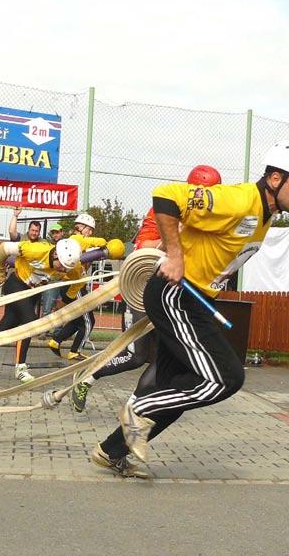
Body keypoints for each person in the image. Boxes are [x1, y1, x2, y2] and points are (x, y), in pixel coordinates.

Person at [92, 141, 289, 476]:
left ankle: (111, 452)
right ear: (274, 179)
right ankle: (140, 407)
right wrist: (176, 255)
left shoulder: (265, 214)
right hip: (175, 294)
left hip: (195, 299)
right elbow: (166, 196)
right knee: (225, 378)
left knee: (182, 386)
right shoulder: (240, 199)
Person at [71, 165, 222, 413]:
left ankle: (134, 410)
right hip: (143, 292)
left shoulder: (213, 217)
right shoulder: (166, 209)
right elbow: (142, 249)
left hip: (174, 296)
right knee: (136, 356)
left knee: (170, 356)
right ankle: (86, 376)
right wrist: (174, 235)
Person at [0, 238, 82, 383]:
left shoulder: (72, 266)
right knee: (30, 322)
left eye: (67, 268)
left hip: (32, 293)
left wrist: (65, 300)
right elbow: (4, 248)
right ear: (55, 255)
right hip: (16, 285)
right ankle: (20, 368)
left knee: (2, 331)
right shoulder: (36, 250)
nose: (64, 270)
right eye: (62, 266)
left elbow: (80, 280)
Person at [48, 213, 107, 360]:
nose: (90, 232)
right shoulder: (77, 239)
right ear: (81, 227)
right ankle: (75, 351)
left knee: (78, 320)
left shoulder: (74, 240)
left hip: (73, 285)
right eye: (89, 229)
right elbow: (100, 241)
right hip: (75, 286)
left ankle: (56, 341)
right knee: (88, 321)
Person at [39, 223, 65, 319]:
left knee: (61, 310)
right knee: (47, 308)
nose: (55, 235)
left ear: (62, 232)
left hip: (64, 281)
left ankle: (58, 333)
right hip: (51, 281)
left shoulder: (68, 245)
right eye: (53, 233)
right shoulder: (49, 247)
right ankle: (42, 331)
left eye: (57, 232)